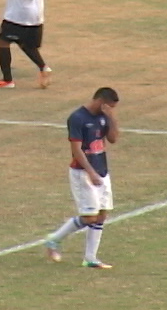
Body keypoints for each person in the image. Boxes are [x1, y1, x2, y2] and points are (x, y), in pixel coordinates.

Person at [44, 87, 121, 269]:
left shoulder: (103, 117)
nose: (111, 110)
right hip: (83, 173)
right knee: (89, 218)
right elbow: (76, 149)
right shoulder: (77, 118)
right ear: (101, 102)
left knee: (102, 214)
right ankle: (53, 240)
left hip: (102, 170)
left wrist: (111, 118)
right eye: (110, 107)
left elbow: (113, 139)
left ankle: (90, 258)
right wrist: (91, 172)